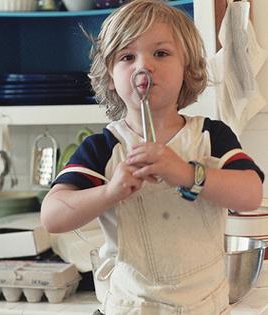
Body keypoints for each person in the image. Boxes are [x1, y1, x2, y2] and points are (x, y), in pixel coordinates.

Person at [40, 0, 264, 314]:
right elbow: (52, 216)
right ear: (110, 74)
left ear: (188, 68)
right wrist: (110, 191)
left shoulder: (211, 137)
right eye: (127, 56)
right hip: (131, 307)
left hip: (206, 307)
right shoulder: (104, 148)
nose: (144, 66)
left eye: (160, 53)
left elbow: (250, 194)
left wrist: (187, 174)